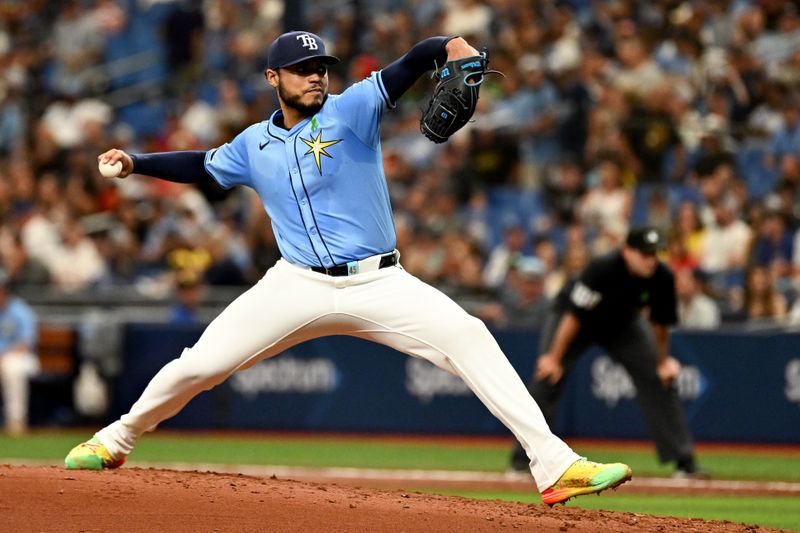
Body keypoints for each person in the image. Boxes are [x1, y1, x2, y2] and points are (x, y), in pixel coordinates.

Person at [63, 31, 632, 505]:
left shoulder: (354, 107)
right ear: (273, 79)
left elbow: (414, 61)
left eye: (321, 67)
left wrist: (451, 46)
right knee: (200, 364)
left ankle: (555, 465)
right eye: (302, 69)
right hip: (296, 283)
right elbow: (201, 166)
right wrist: (136, 161)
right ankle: (116, 439)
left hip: (380, 281)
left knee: (469, 335)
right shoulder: (251, 144)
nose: (316, 76)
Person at [509, 226, 707, 478]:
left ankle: (684, 461)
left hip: (622, 324)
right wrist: (554, 358)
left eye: (654, 254)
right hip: (574, 322)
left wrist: (663, 361)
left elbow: (660, 325)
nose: (650, 260)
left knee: (660, 378)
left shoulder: (662, 277)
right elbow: (574, 316)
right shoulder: (602, 268)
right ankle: (521, 460)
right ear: (627, 252)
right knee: (548, 376)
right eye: (644, 254)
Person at [0, 271, 39, 435]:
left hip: (20, 357)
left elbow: (25, 343)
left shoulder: (20, 310)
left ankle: (16, 421)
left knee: (12, 368)